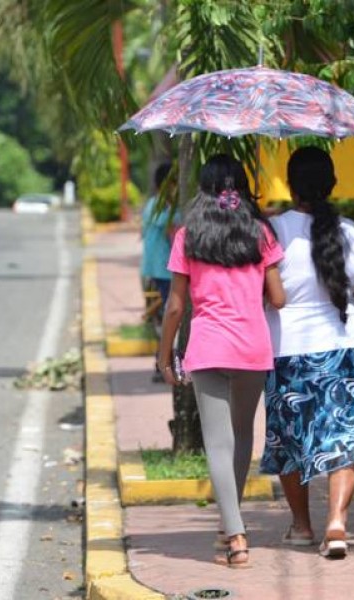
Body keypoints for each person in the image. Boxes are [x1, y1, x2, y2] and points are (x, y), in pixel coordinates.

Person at [157, 154, 285, 568]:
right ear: (241, 185)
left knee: (216, 441)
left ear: (205, 188)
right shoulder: (261, 232)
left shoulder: (188, 235)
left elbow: (176, 306)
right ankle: (232, 524)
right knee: (242, 434)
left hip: (209, 346)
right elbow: (278, 298)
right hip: (252, 345)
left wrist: (164, 355)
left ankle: (235, 534)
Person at [260, 146, 354, 559]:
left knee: (289, 438)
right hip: (344, 343)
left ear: (290, 185)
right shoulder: (348, 231)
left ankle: (301, 527)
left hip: (287, 348)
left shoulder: (273, 231)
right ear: (331, 184)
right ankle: (337, 522)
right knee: (345, 436)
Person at [141, 163, 179, 382]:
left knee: (169, 313)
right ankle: (162, 362)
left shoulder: (161, 205)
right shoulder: (158, 206)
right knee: (171, 313)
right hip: (162, 268)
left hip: (163, 267)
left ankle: (163, 360)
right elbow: (176, 222)